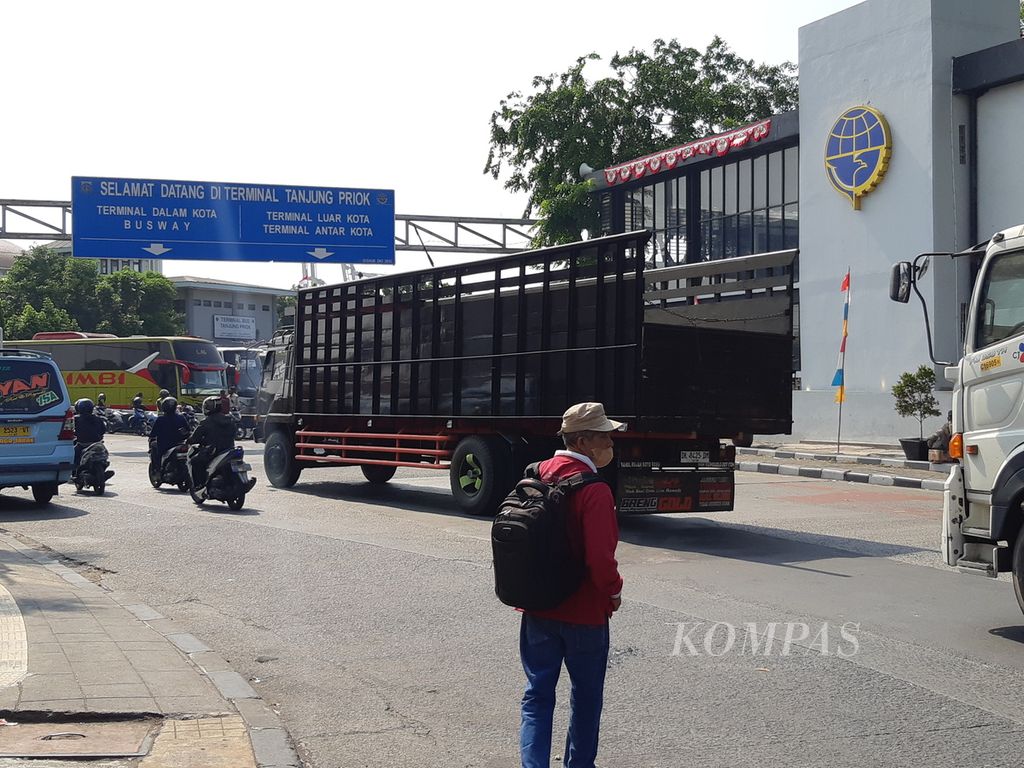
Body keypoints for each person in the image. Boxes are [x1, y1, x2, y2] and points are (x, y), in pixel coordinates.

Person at [518, 402, 624, 768]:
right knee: (586, 695)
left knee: (537, 694)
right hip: (584, 612)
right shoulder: (594, 490)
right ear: (582, 441)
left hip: (537, 606)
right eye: (604, 436)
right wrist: (614, 591)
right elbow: (600, 559)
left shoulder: (535, 474)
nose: (611, 442)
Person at [187, 396, 237, 488]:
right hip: (229, 449)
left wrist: (190, 440)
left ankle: (199, 485)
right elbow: (235, 433)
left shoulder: (206, 421)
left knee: (195, 461)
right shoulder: (230, 419)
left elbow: (195, 438)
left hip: (213, 451)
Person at [149, 396, 189, 471]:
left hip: (165, 445)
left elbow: (153, 433)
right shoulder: (181, 417)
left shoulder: (160, 419)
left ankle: (158, 468)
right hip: (179, 444)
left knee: (153, 445)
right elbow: (188, 430)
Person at [72, 398, 106, 477]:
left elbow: (71, 430)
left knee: (74, 455)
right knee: (104, 454)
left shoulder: (76, 419)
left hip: (82, 444)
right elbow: (103, 430)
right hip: (97, 444)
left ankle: (74, 473)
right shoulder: (98, 419)